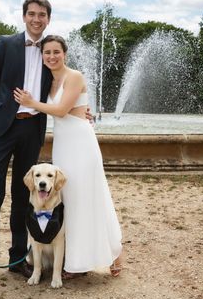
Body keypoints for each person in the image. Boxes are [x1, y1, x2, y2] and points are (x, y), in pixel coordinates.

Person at [13, 34, 123, 279]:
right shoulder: (48, 80)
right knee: (70, 201)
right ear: (42, 56)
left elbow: (62, 110)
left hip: (81, 143)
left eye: (56, 52)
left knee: (88, 197)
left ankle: (111, 253)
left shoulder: (74, 76)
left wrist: (32, 102)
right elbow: (63, 108)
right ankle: (75, 260)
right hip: (63, 143)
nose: (51, 56)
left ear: (65, 53)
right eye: (47, 52)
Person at [0, 0, 54, 291]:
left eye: (42, 15)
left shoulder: (51, 50)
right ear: (24, 16)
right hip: (1, 129)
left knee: (24, 196)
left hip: (32, 130)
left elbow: (62, 88)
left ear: (48, 19)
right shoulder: (6, 44)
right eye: (32, 14)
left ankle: (18, 258)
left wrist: (82, 110)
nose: (36, 19)